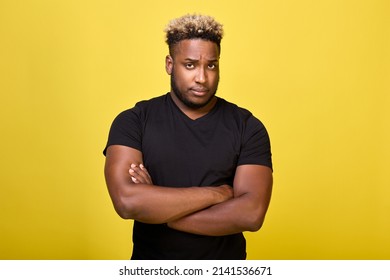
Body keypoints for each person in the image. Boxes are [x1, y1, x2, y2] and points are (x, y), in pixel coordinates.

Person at [103, 14, 273, 260]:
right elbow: (127, 201)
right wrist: (218, 194)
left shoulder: (247, 126)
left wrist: (159, 210)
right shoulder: (134, 121)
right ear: (170, 64)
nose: (202, 78)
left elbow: (251, 214)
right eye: (190, 65)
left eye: (211, 65)